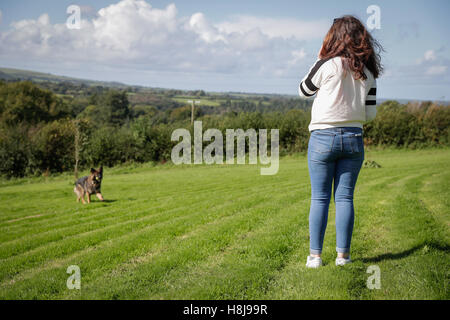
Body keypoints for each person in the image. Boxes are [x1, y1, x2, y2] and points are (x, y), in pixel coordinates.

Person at [298, 15, 383, 268]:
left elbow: (303, 90)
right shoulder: (368, 72)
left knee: (320, 198)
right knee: (345, 198)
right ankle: (343, 257)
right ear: (361, 40)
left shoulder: (326, 64)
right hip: (354, 138)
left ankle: (315, 257)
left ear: (333, 37)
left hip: (323, 137)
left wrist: (319, 58)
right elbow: (370, 115)